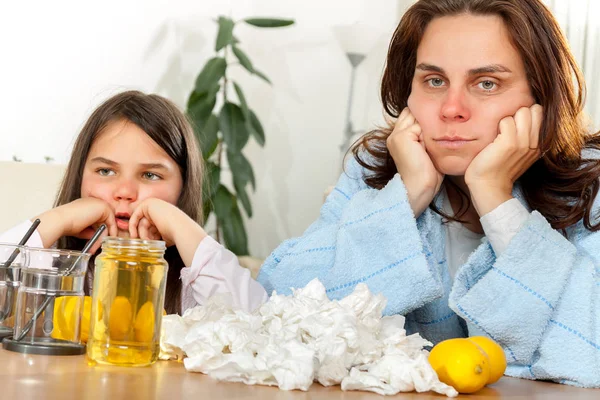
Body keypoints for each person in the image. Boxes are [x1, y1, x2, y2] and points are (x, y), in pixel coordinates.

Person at [257, 0, 600, 388]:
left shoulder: (591, 182)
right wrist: (408, 196)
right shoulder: (378, 169)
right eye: (434, 81)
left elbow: (588, 346)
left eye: (486, 83)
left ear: (540, 97)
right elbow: (282, 308)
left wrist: (495, 197)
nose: (452, 108)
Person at [0, 90, 267, 314]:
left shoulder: (196, 277)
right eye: (105, 171)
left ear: (183, 187)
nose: (125, 192)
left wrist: (181, 227)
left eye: (150, 175)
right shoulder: (49, 261)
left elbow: (255, 325)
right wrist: (56, 220)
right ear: (80, 176)